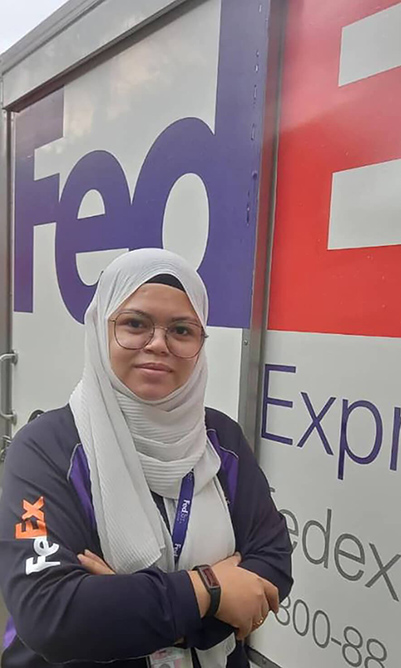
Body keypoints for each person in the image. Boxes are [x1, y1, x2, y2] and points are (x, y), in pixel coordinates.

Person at [0, 249, 293, 668]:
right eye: (135, 324)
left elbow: (273, 566)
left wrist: (128, 608)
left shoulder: (221, 440)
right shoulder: (45, 449)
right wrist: (211, 590)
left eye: (182, 330)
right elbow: (50, 614)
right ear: (101, 329)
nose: (158, 344)